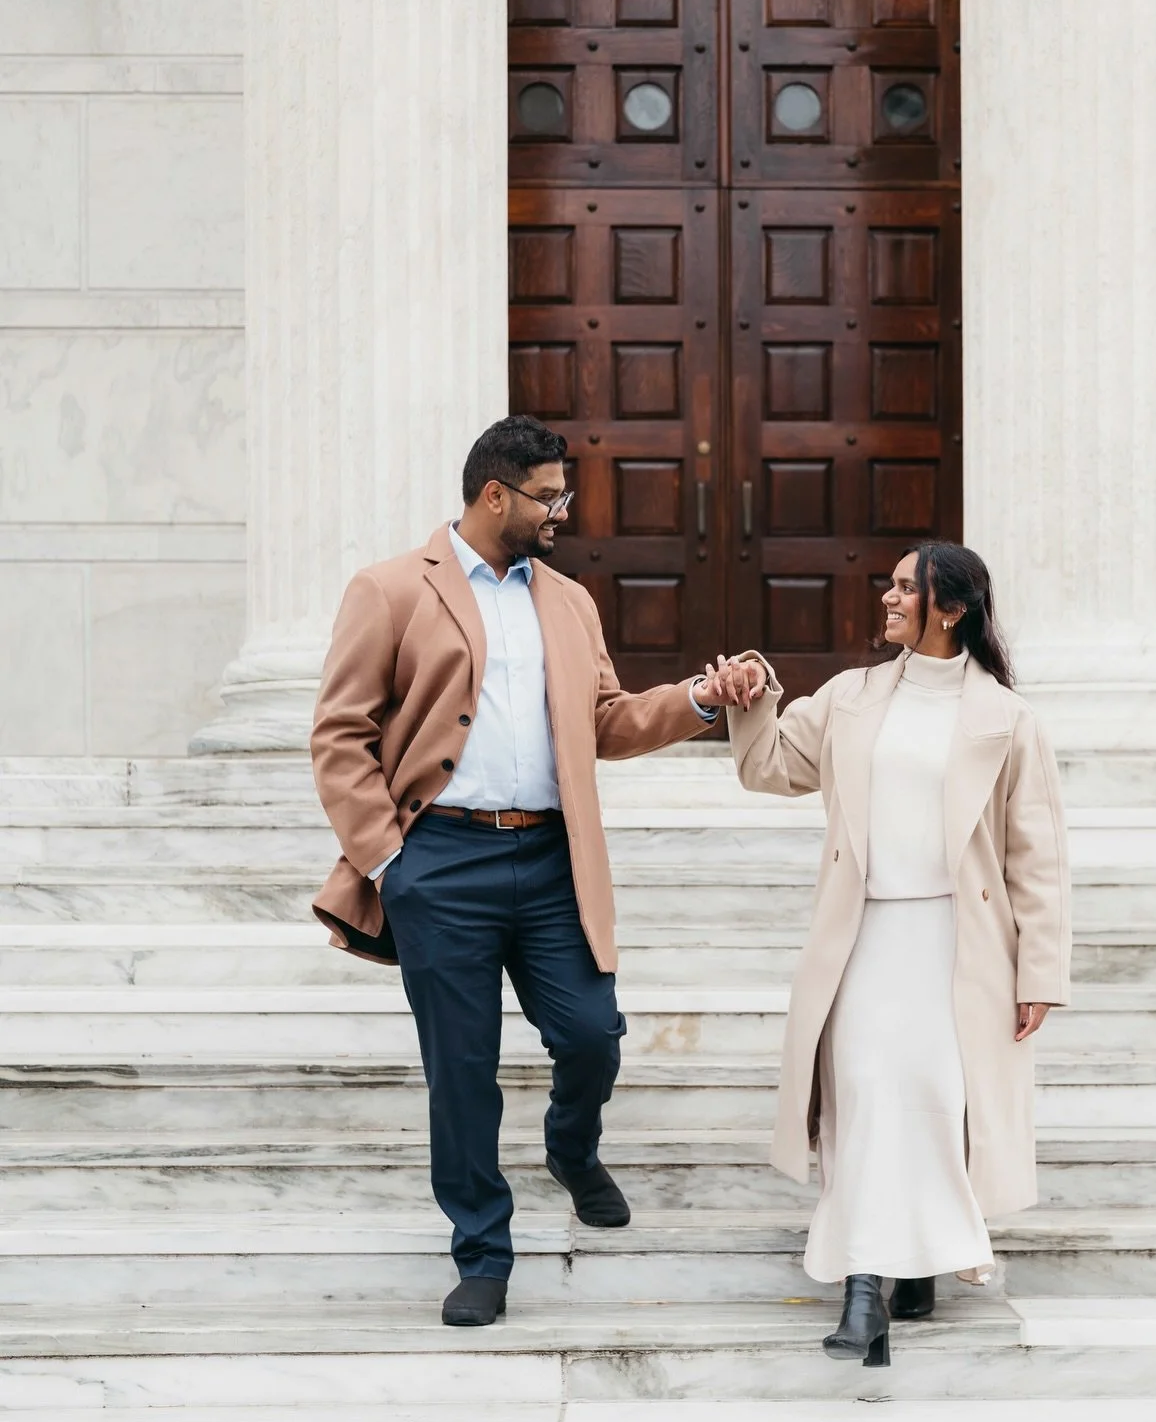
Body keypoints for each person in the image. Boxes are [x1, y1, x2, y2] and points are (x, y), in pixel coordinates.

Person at [310, 415, 741, 1327]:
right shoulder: (390, 588)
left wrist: (698, 698)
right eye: (548, 496)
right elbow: (340, 734)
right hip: (441, 862)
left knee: (593, 1032)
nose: (563, 511)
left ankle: (572, 1149)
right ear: (493, 494)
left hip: (551, 858)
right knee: (459, 1069)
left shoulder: (569, 600)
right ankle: (482, 1248)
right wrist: (391, 862)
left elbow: (609, 721)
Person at [706, 543, 1070, 1366]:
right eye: (893, 583)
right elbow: (767, 766)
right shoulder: (849, 698)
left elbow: (1038, 857)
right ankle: (865, 1285)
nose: (890, 596)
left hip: (959, 945)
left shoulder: (1008, 721)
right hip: (864, 936)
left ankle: (920, 1264)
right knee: (865, 1098)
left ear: (952, 608)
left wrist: (1040, 971)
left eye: (909, 587)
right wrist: (754, 690)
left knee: (937, 1100)